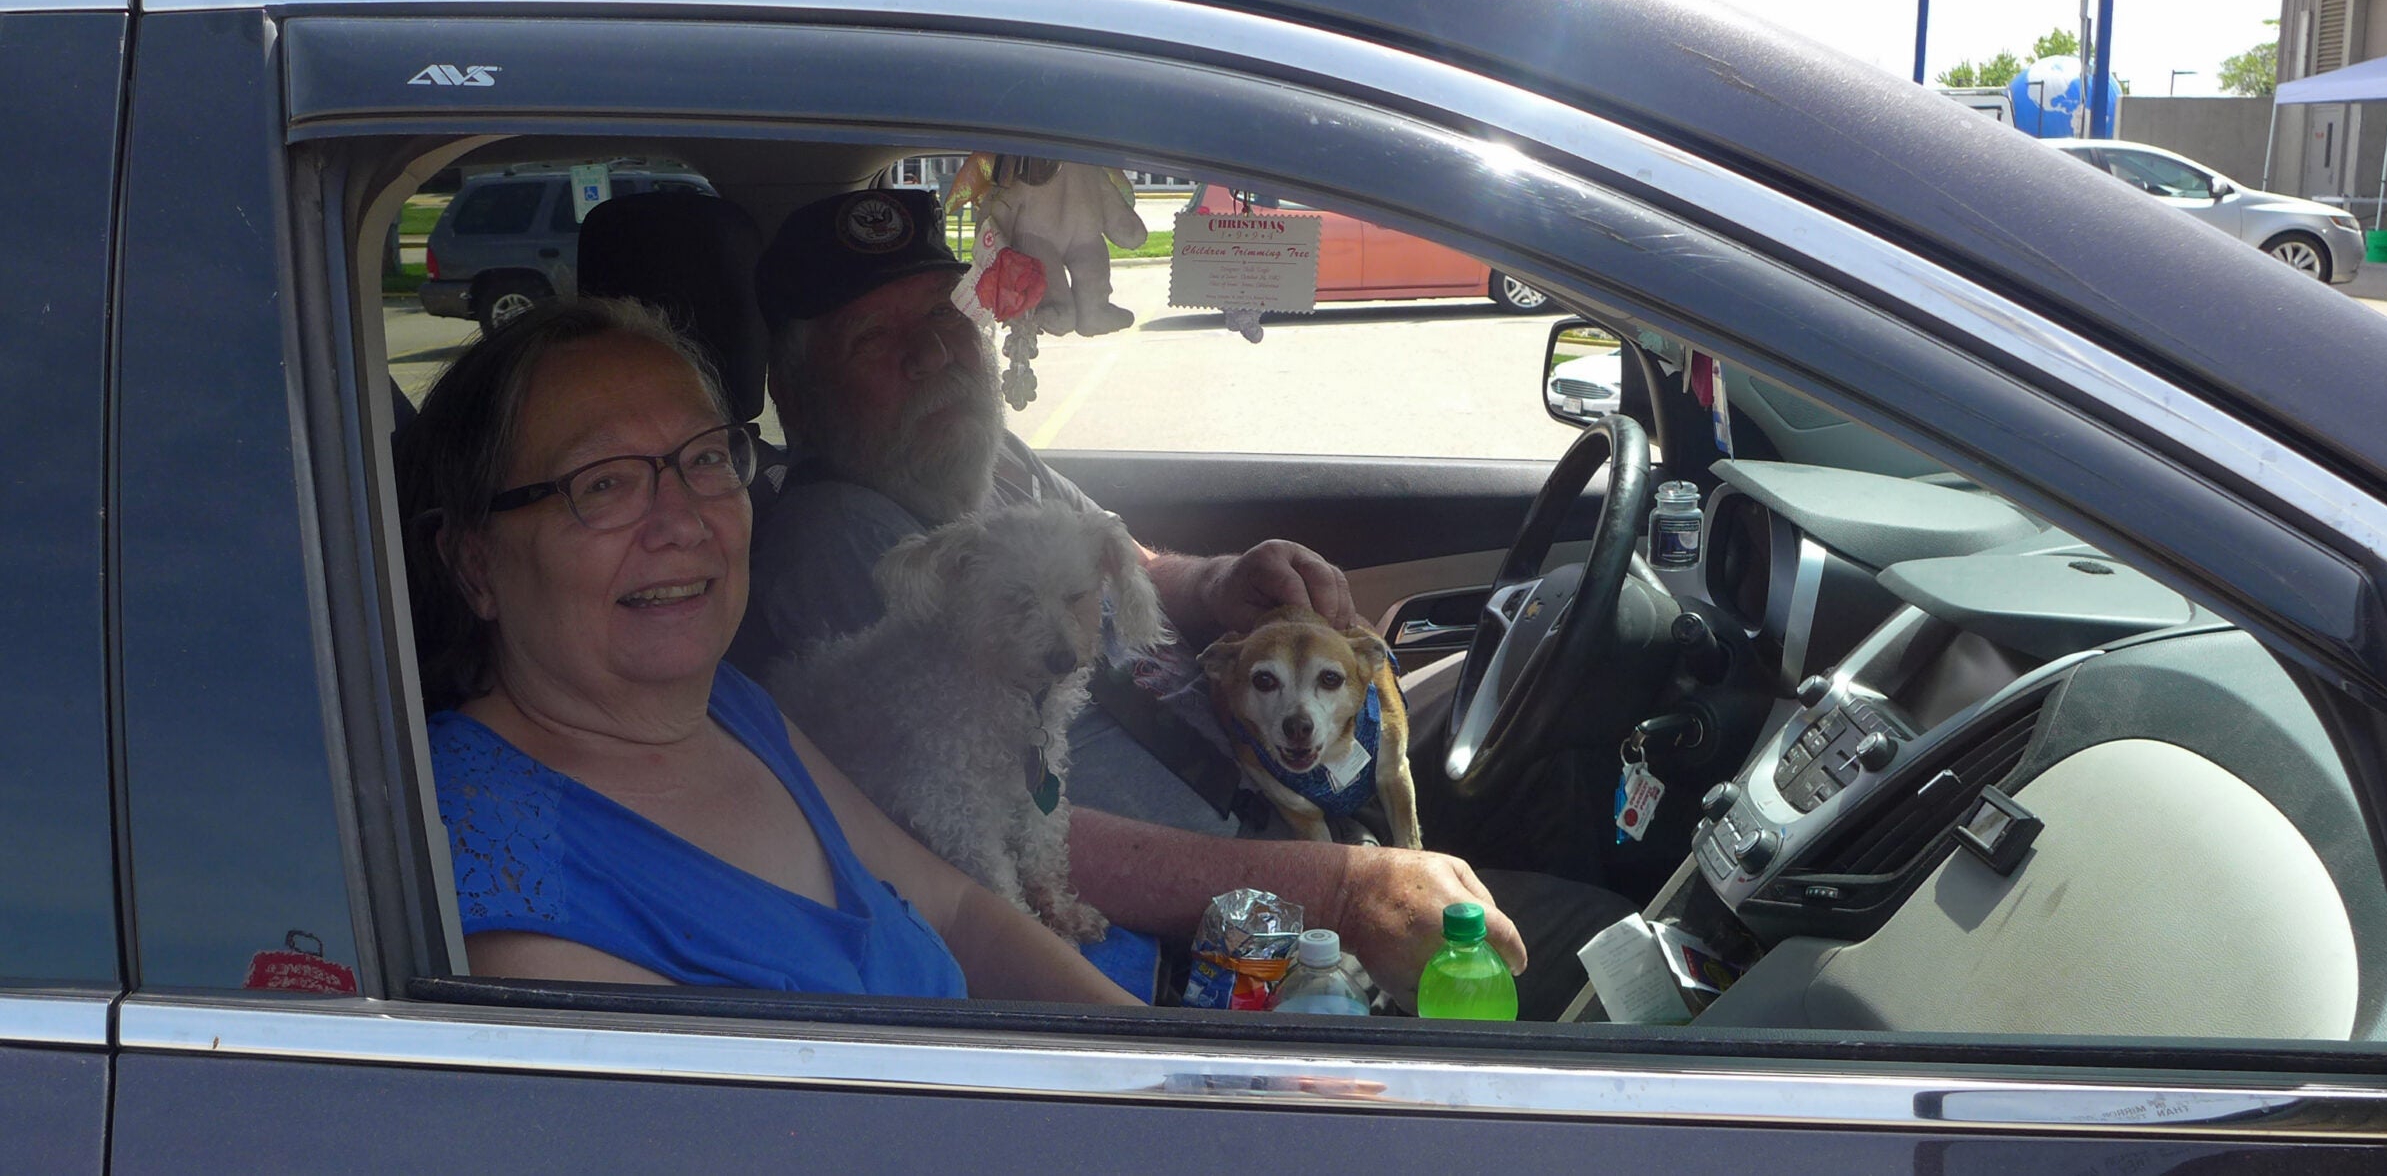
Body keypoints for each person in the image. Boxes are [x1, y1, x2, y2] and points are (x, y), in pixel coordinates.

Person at [733, 188, 1555, 1009]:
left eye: (942, 317)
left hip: (1273, 787)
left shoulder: (986, 453)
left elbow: (1124, 561)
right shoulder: (840, 541)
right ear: (797, 395)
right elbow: (971, 823)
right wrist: (1337, 888)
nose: (932, 355)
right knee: (1568, 952)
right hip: (1210, 934)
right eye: (875, 339)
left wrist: (1217, 582)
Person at [397, 294, 1135, 1005]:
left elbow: (956, 910)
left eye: (706, 458)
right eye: (604, 483)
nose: (683, 521)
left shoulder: (730, 707)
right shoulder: (512, 895)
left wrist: (1149, 1057)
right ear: (475, 565)